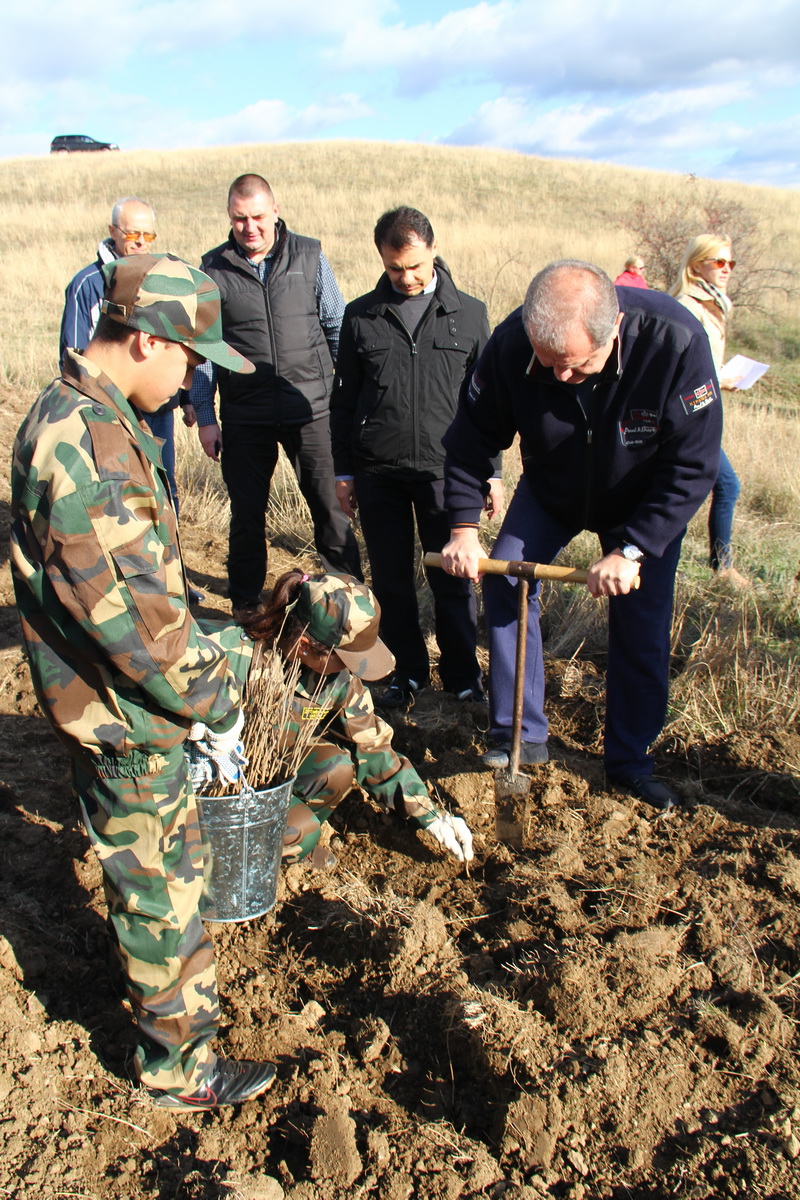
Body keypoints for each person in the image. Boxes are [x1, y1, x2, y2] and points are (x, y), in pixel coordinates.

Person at [11, 253, 275, 1111]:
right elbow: (137, 622)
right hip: (126, 718)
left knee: (161, 879)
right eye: (193, 359)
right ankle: (178, 1070)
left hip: (118, 704)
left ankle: (175, 1044)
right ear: (148, 338)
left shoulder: (86, 418)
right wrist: (214, 705)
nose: (195, 377)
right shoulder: (88, 443)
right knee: (163, 894)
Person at [440, 260, 722, 811]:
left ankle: (631, 762)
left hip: (643, 503)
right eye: (549, 366)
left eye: (575, 367)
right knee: (507, 581)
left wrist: (634, 547)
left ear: (613, 328)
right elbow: (470, 439)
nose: (561, 378)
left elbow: (693, 466)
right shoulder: (512, 344)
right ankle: (519, 734)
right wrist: (463, 527)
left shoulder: (676, 344)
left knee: (641, 621)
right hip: (553, 489)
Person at [331, 206, 499, 708]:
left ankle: (464, 676)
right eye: (394, 268)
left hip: (447, 474)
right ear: (381, 260)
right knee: (390, 579)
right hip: (377, 470)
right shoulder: (360, 316)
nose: (406, 278)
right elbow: (343, 400)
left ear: (432, 250)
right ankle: (406, 672)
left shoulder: (469, 314)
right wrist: (344, 472)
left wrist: (490, 473)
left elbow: (487, 404)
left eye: (415, 267)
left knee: (453, 577)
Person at [189, 173, 361, 619]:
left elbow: (336, 325)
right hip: (246, 415)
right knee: (247, 517)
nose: (250, 227)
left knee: (329, 507)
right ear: (230, 217)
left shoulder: (309, 255)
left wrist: (348, 398)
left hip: (312, 409)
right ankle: (246, 607)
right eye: (240, 218)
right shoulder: (212, 269)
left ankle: (348, 603)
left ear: (275, 211)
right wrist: (207, 416)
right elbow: (207, 350)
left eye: (258, 217)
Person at [239, 570, 474, 864]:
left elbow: (372, 748)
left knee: (335, 768)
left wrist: (431, 815)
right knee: (299, 833)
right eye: (346, 657)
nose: (352, 670)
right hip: (216, 789)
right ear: (304, 646)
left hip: (274, 774)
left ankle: (281, 842)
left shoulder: (337, 681)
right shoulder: (237, 661)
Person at [58, 198, 197, 583]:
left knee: (161, 487)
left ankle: (170, 576)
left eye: (147, 234)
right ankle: (139, 579)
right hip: (113, 409)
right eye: (132, 234)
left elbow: (176, 345)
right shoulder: (90, 285)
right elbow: (74, 353)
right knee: (119, 496)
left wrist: (186, 400)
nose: (140, 242)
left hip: (155, 411)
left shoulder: (161, 279)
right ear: (113, 232)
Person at [670, 234, 748, 586]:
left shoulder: (715, 302)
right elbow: (684, 365)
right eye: (719, 262)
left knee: (713, 485)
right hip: (690, 415)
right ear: (696, 263)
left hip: (703, 409)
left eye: (730, 263)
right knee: (725, 484)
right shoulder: (689, 304)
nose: (727, 269)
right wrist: (721, 380)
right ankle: (722, 567)